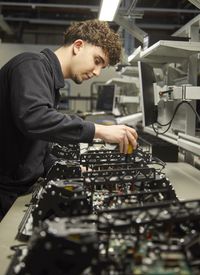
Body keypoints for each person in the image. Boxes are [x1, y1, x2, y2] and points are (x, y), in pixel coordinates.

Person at [0, 19, 138, 220]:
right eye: (97, 60)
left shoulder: (49, 82)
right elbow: (34, 118)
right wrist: (99, 130)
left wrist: (72, 169)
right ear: (78, 46)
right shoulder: (31, 65)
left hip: (17, 189)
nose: (97, 72)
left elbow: (37, 150)